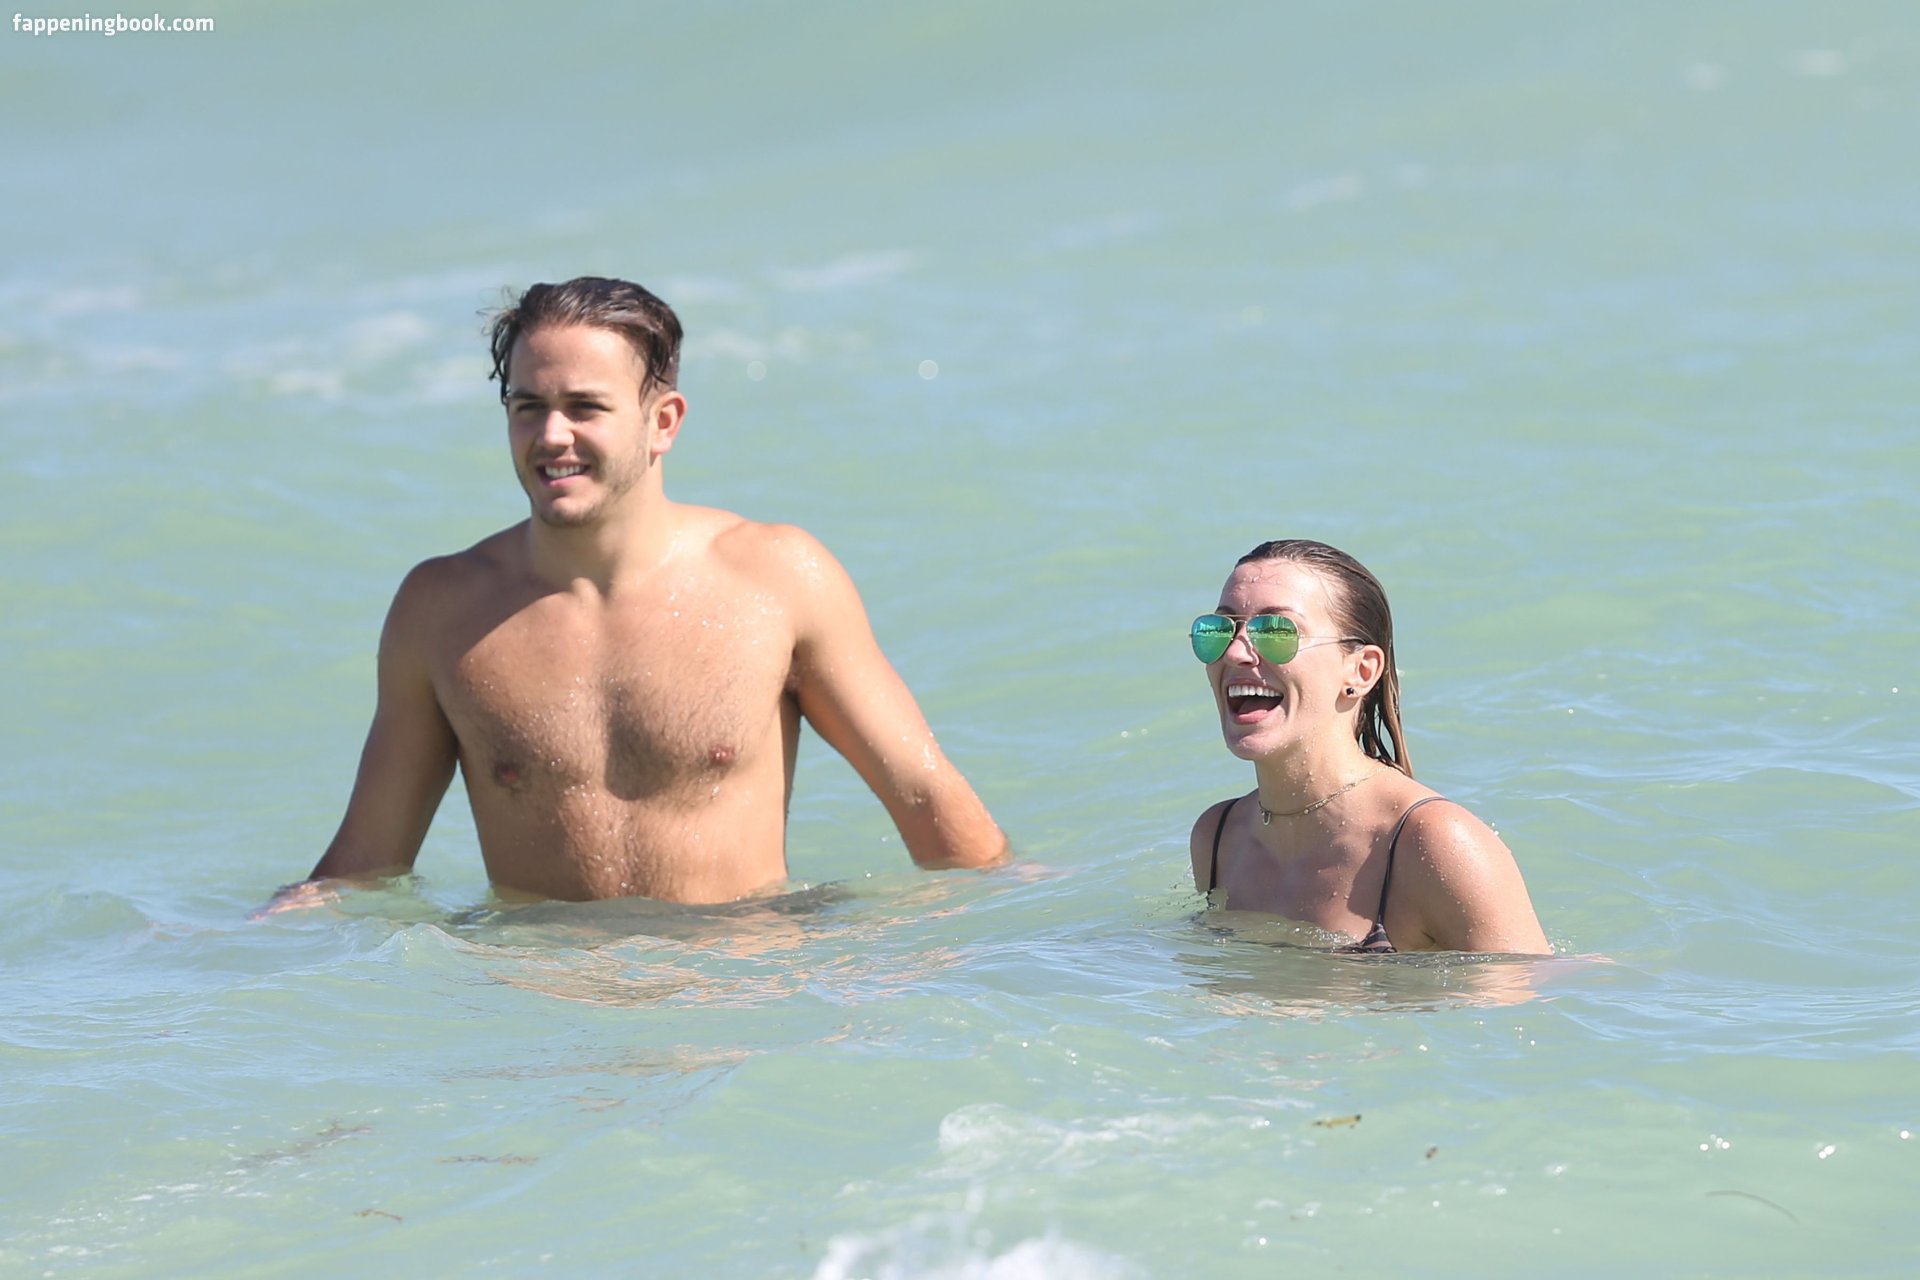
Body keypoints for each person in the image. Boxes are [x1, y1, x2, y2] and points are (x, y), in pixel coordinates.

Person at [273, 276, 1007, 909]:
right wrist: (233, 961)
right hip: (541, 1002)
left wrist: (1033, 948)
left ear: (663, 423)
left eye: (584, 407)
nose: (551, 435)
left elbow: (930, 803)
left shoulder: (777, 579)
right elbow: (367, 863)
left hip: (734, 993)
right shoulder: (442, 611)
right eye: (528, 406)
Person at [1188, 539, 1548, 954]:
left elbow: (1534, 990)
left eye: (1277, 632)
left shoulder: (1433, 843)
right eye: (1219, 630)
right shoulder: (1218, 838)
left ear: (1361, 670)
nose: (1235, 652)